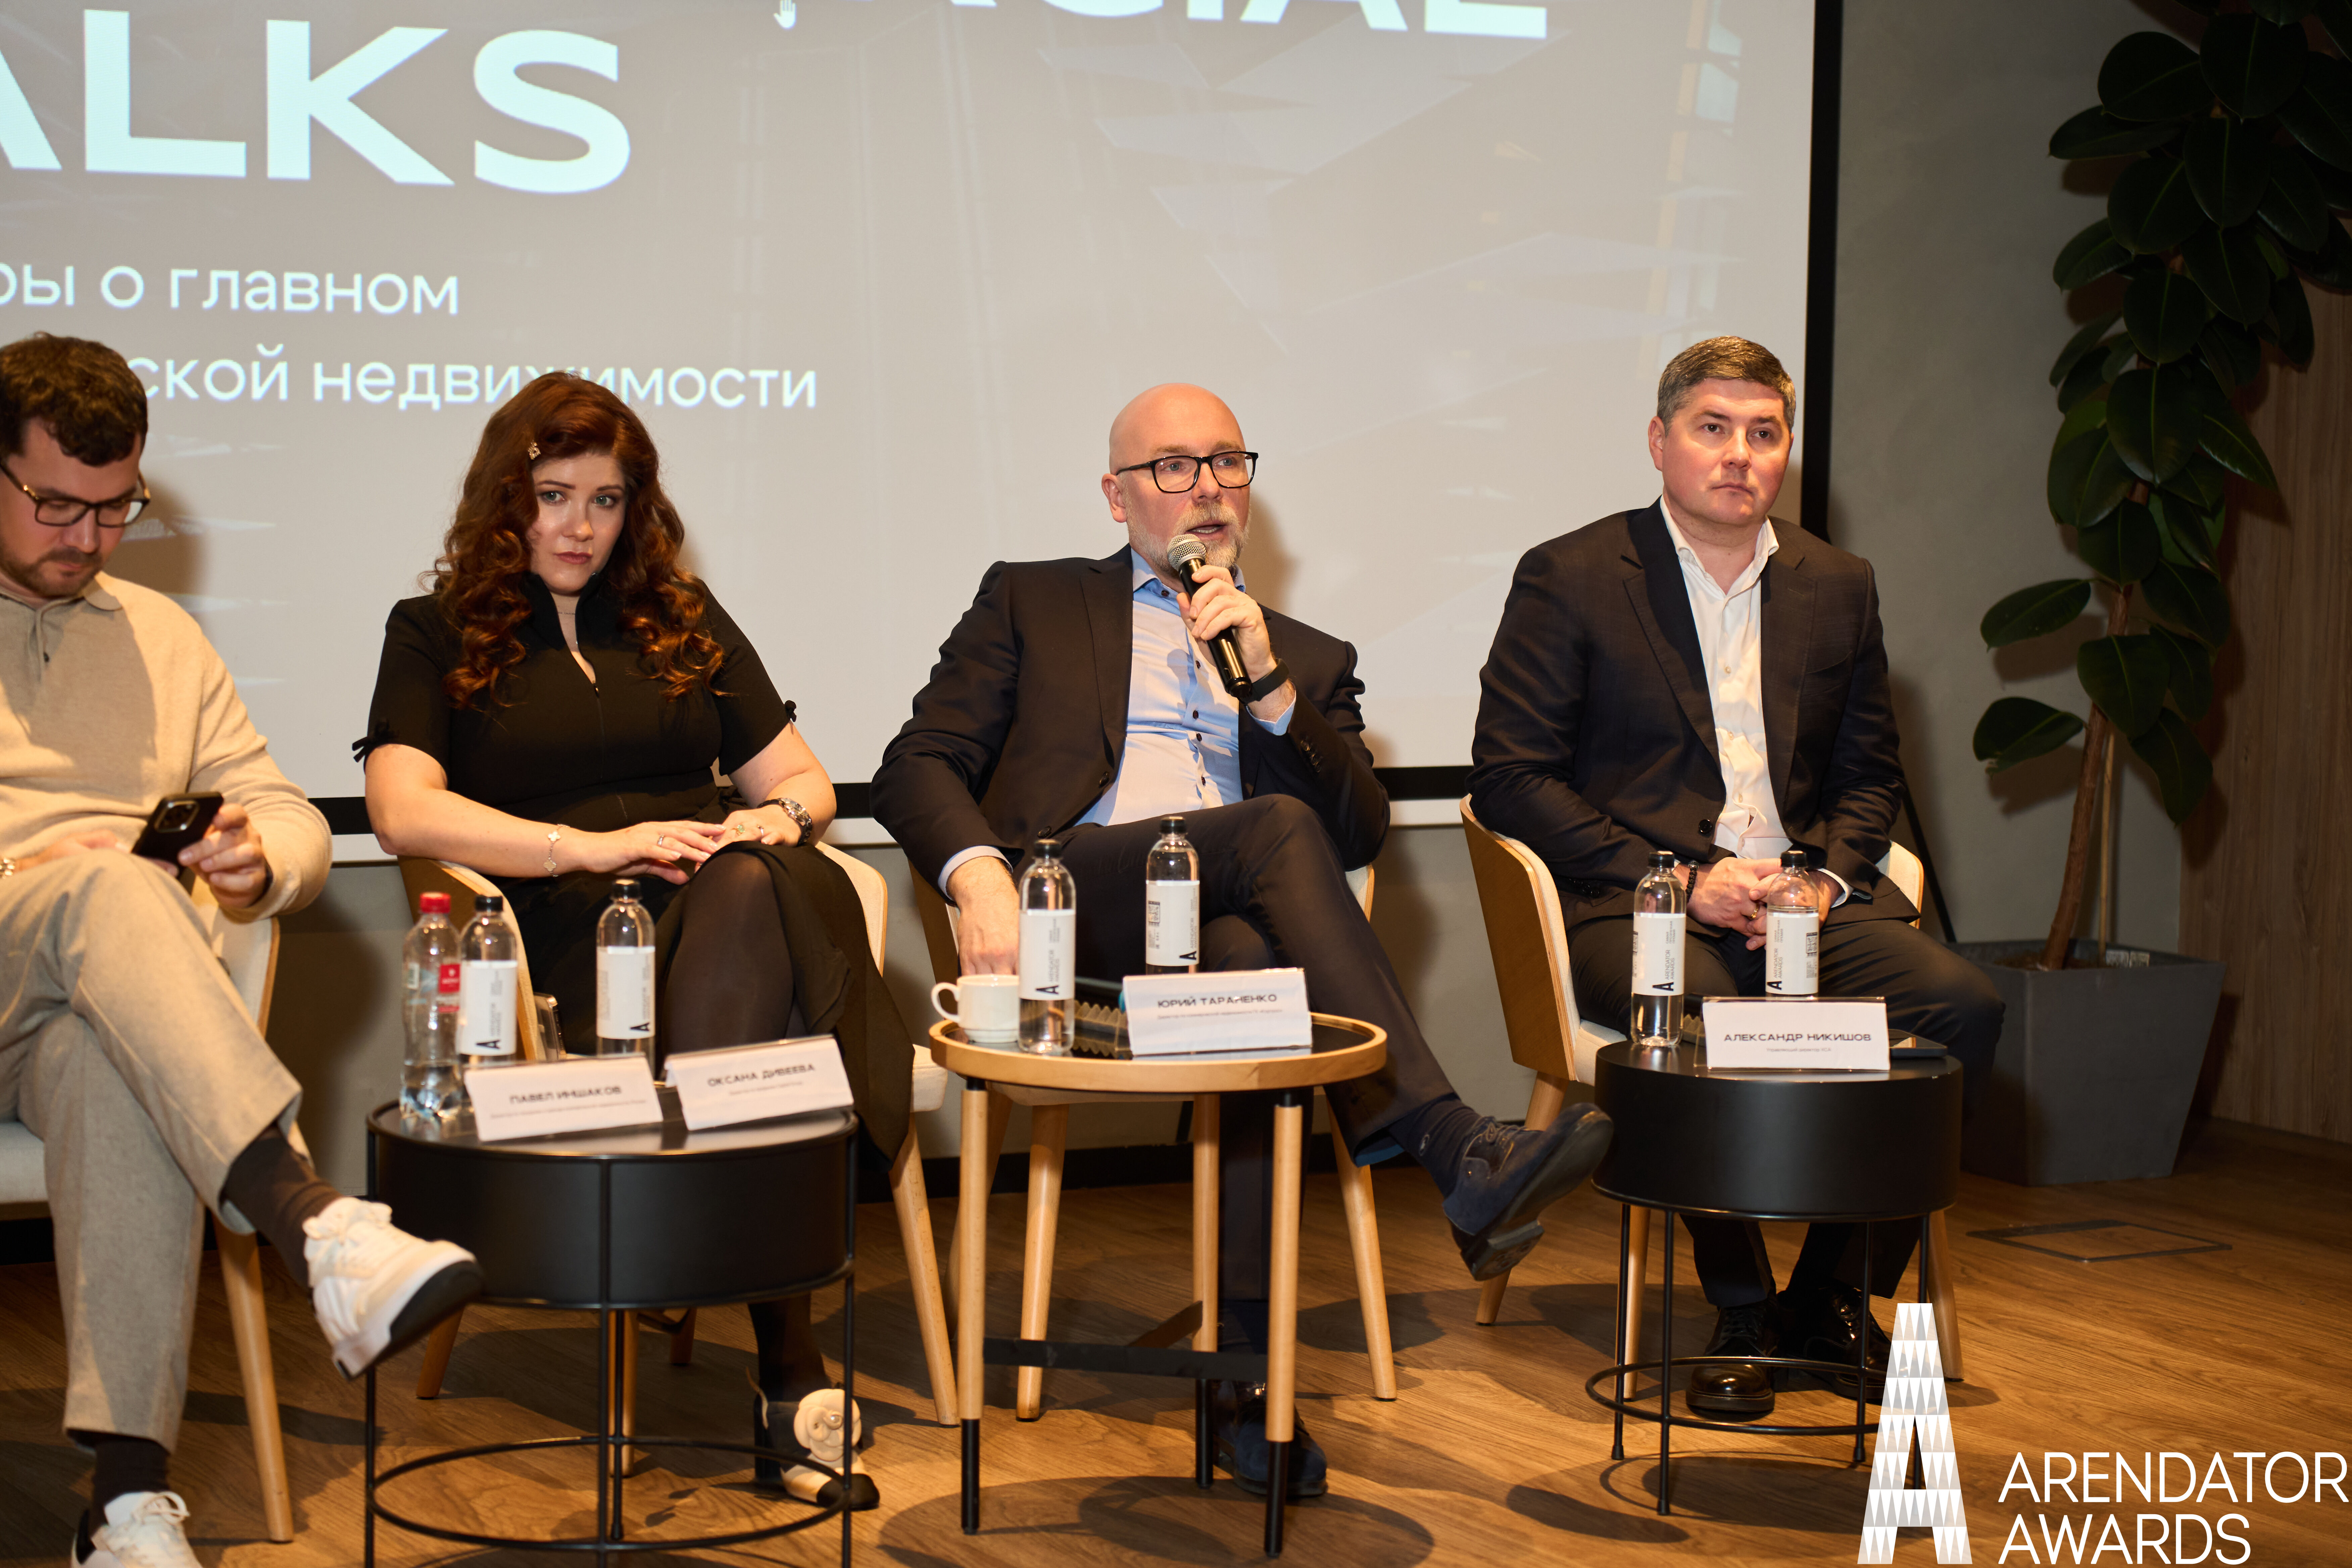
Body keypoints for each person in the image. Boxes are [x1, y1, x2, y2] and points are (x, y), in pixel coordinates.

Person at [871, 382, 1614, 1498]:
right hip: (1076, 919)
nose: (1208, 488)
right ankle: (1448, 1140)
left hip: (1220, 932)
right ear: (1117, 496)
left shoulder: (1304, 654)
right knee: (1272, 829)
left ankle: (1245, 1393)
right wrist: (980, 876)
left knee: (1254, 976)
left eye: (1228, 463)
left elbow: (1359, 833)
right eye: (1174, 467)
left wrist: (1267, 690)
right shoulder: (1035, 600)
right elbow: (916, 762)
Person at [358, 372, 911, 1509]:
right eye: (554, 496)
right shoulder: (436, 631)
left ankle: (759, 1335)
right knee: (769, 947)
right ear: (505, 499)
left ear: (635, 509)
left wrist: (769, 820)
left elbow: (803, 782)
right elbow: (402, 811)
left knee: (755, 883)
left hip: (724, 909)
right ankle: (787, 1368)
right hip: (567, 942)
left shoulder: (683, 614)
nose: (579, 527)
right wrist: (591, 849)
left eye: (606, 501)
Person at [0, 334, 484, 1568]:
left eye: (117, 509)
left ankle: (124, 1505)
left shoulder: (159, 636)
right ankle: (315, 1223)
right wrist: (40, 880)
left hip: (90, 1007)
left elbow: (283, 810)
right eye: (56, 505)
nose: (89, 539)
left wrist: (255, 860)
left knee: (111, 1069)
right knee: (107, 887)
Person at [1467, 335, 2003, 1420]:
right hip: (1646, 904)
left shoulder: (1838, 584)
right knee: (1699, 1012)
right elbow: (1511, 778)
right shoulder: (1573, 575)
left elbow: (1870, 777)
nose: (1739, 455)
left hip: (1803, 905)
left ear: (1786, 450)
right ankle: (1742, 1309)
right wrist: (1681, 877)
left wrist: (1824, 885)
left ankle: (1835, 1295)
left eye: (1764, 433)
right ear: (1659, 440)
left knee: (1962, 1005)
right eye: (1713, 428)